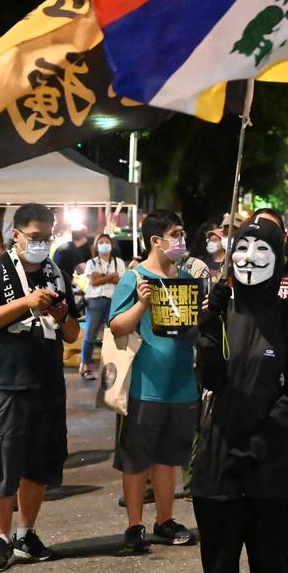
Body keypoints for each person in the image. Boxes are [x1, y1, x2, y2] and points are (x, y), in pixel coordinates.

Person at [190, 217, 288, 572]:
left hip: (274, 475)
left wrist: (257, 448)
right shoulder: (218, 313)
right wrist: (209, 327)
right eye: (242, 248)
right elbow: (210, 379)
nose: (250, 257)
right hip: (218, 470)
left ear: (279, 258)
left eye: (262, 249)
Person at [0, 203, 79, 571]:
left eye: (47, 236)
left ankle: (26, 533)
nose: (42, 243)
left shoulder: (57, 274)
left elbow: (72, 334)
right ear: (16, 234)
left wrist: (62, 314)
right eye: (35, 237)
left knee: (41, 463)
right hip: (5, 381)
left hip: (47, 381)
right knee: (1, 463)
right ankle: (0, 538)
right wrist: (26, 303)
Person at [108, 209, 198, 552]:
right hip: (144, 385)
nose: (180, 240)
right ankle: (134, 525)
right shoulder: (134, 279)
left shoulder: (186, 278)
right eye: (175, 234)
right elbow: (117, 326)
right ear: (155, 241)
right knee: (136, 458)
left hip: (180, 385)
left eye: (182, 233)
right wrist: (142, 304)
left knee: (168, 458)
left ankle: (165, 519)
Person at [81, 233, 126, 381]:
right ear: (96, 245)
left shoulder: (118, 261)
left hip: (113, 300)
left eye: (106, 242)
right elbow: (94, 282)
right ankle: (86, 365)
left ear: (112, 245)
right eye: (100, 242)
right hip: (95, 301)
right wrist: (110, 277)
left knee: (114, 333)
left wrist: (102, 277)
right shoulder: (91, 262)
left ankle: (113, 365)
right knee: (90, 335)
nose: (104, 244)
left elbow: (120, 281)